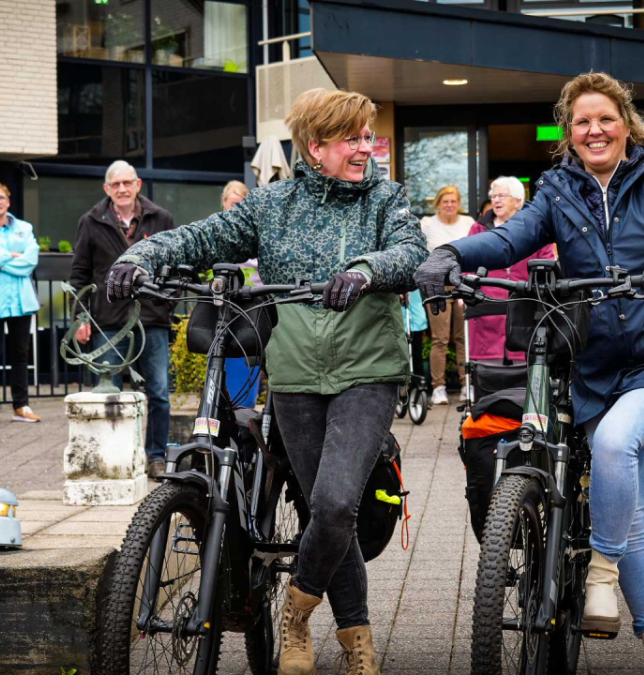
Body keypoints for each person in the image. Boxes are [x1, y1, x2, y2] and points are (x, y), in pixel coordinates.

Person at [107, 87, 427, 675]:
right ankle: (357, 639)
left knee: (334, 504)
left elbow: (411, 251)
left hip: (369, 371)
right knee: (320, 510)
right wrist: (142, 256)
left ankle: (298, 613)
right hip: (297, 375)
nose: (364, 149)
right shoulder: (272, 205)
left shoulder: (386, 198)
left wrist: (364, 269)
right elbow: (203, 237)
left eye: (366, 137)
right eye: (350, 138)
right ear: (315, 146)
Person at [416, 71, 644, 673]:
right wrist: (449, 254)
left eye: (605, 118)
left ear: (626, 122)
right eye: (582, 121)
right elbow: (509, 240)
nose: (594, 129)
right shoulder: (557, 188)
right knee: (631, 515)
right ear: (569, 132)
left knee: (614, 439)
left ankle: (600, 574)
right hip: (595, 364)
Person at [69, 160, 176, 476]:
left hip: (153, 318)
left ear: (138, 184)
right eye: (115, 185)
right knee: (108, 392)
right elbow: (79, 275)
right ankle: (111, 457)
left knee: (158, 393)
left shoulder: (161, 219)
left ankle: (155, 456)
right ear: (107, 189)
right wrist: (81, 318)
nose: (122, 189)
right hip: (109, 322)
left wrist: (166, 305)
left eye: (127, 183)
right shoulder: (90, 222)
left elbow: (176, 266)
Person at [466, 176, 556, 362]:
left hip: (525, 305)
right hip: (487, 306)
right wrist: (467, 288)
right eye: (494, 196)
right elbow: (467, 263)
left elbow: (547, 262)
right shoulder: (479, 229)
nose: (496, 200)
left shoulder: (535, 228)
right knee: (487, 366)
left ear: (518, 201)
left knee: (524, 361)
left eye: (502, 196)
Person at [0, 182, 41, 426]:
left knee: (20, 355)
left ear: (9, 201)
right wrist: (9, 256)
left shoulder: (24, 228)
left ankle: (21, 405)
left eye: (3, 197)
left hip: (21, 301)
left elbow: (31, 261)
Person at [420, 185, 475, 404]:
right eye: (445, 201)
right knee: (440, 339)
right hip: (437, 287)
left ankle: (466, 384)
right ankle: (438, 387)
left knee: (463, 338)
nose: (450, 205)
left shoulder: (468, 223)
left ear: (458, 203)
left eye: (453, 201)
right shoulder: (427, 224)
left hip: (462, 284)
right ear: (438, 204)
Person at [219, 180, 263, 407]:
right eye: (232, 204)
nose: (236, 210)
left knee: (246, 381)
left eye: (241, 204)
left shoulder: (257, 235)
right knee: (221, 378)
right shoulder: (215, 235)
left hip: (252, 313)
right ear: (224, 204)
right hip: (222, 313)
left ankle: (246, 422)